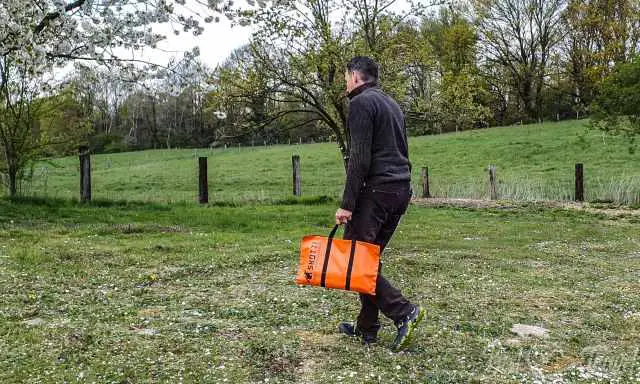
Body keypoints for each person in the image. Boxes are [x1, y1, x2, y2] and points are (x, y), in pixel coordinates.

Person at [335, 56, 424, 351]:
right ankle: (367, 328)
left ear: (356, 77)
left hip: (377, 191)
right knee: (368, 260)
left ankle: (404, 312)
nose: (345, 83)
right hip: (400, 190)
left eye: (346, 77)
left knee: (355, 260)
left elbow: (359, 159)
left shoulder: (360, 104)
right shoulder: (391, 104)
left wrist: (347, 203)